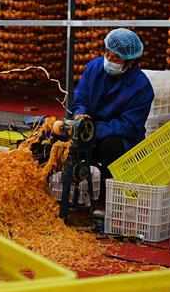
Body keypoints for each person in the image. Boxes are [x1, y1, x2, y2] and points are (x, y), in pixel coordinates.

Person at [60, 28, 155, 179]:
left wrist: (95, 130)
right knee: (60, 137)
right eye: (107, 53)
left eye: (116, 58)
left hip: (120, 138)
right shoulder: (94, 68)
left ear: (130, 62)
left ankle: (107, 185)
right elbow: (80, 97)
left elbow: (128, 125)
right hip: (89, 128)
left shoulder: (141, 87)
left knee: (110, 146)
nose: (109, 60)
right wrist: (80, 115)